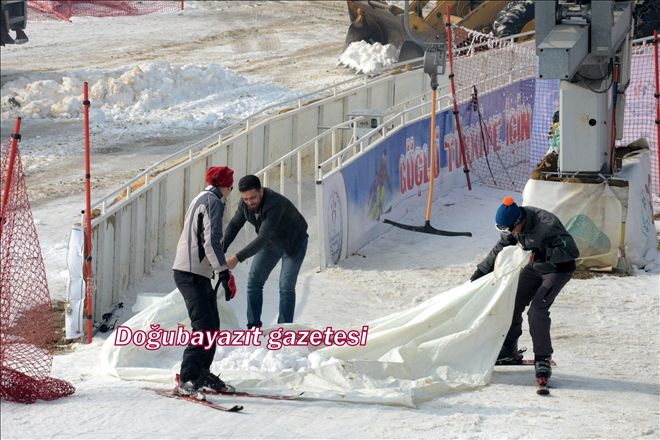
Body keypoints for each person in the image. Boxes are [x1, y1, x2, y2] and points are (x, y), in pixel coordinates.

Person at [470, 196, 579, 382]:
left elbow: (572, 252)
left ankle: (543, 357)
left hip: (557, 269)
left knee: (537, 310)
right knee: (511, 301)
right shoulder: (512, 223)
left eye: (508, 229)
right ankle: (509, 348)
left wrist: (544, 252)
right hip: (535, 266)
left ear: (519, 222)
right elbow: (501, 247)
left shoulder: (547, 225)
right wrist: (480, 272)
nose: (507, 233)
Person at [172, 166, 237, 398]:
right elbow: (211, 242)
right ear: (227, 185)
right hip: (191, 272)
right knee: (203, 326)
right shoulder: (214, 202)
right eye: (231, 184)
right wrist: (223, 271)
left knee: (212, 325)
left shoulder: (202, 196)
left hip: (195, 271)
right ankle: (187, 377)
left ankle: (201, 373)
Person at [222, 175, 308, 329]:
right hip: (271, 242)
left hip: (294, 243)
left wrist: (237, 258)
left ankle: (284, 330)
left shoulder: (274, 204)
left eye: (253, 197)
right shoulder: (245, 204)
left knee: (286, 286)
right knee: (254, 282)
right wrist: (221, 249)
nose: (250, 202)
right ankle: (253, 327)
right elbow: (235, 224)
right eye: (245, 199)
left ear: (261, 191)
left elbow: (262, 238)